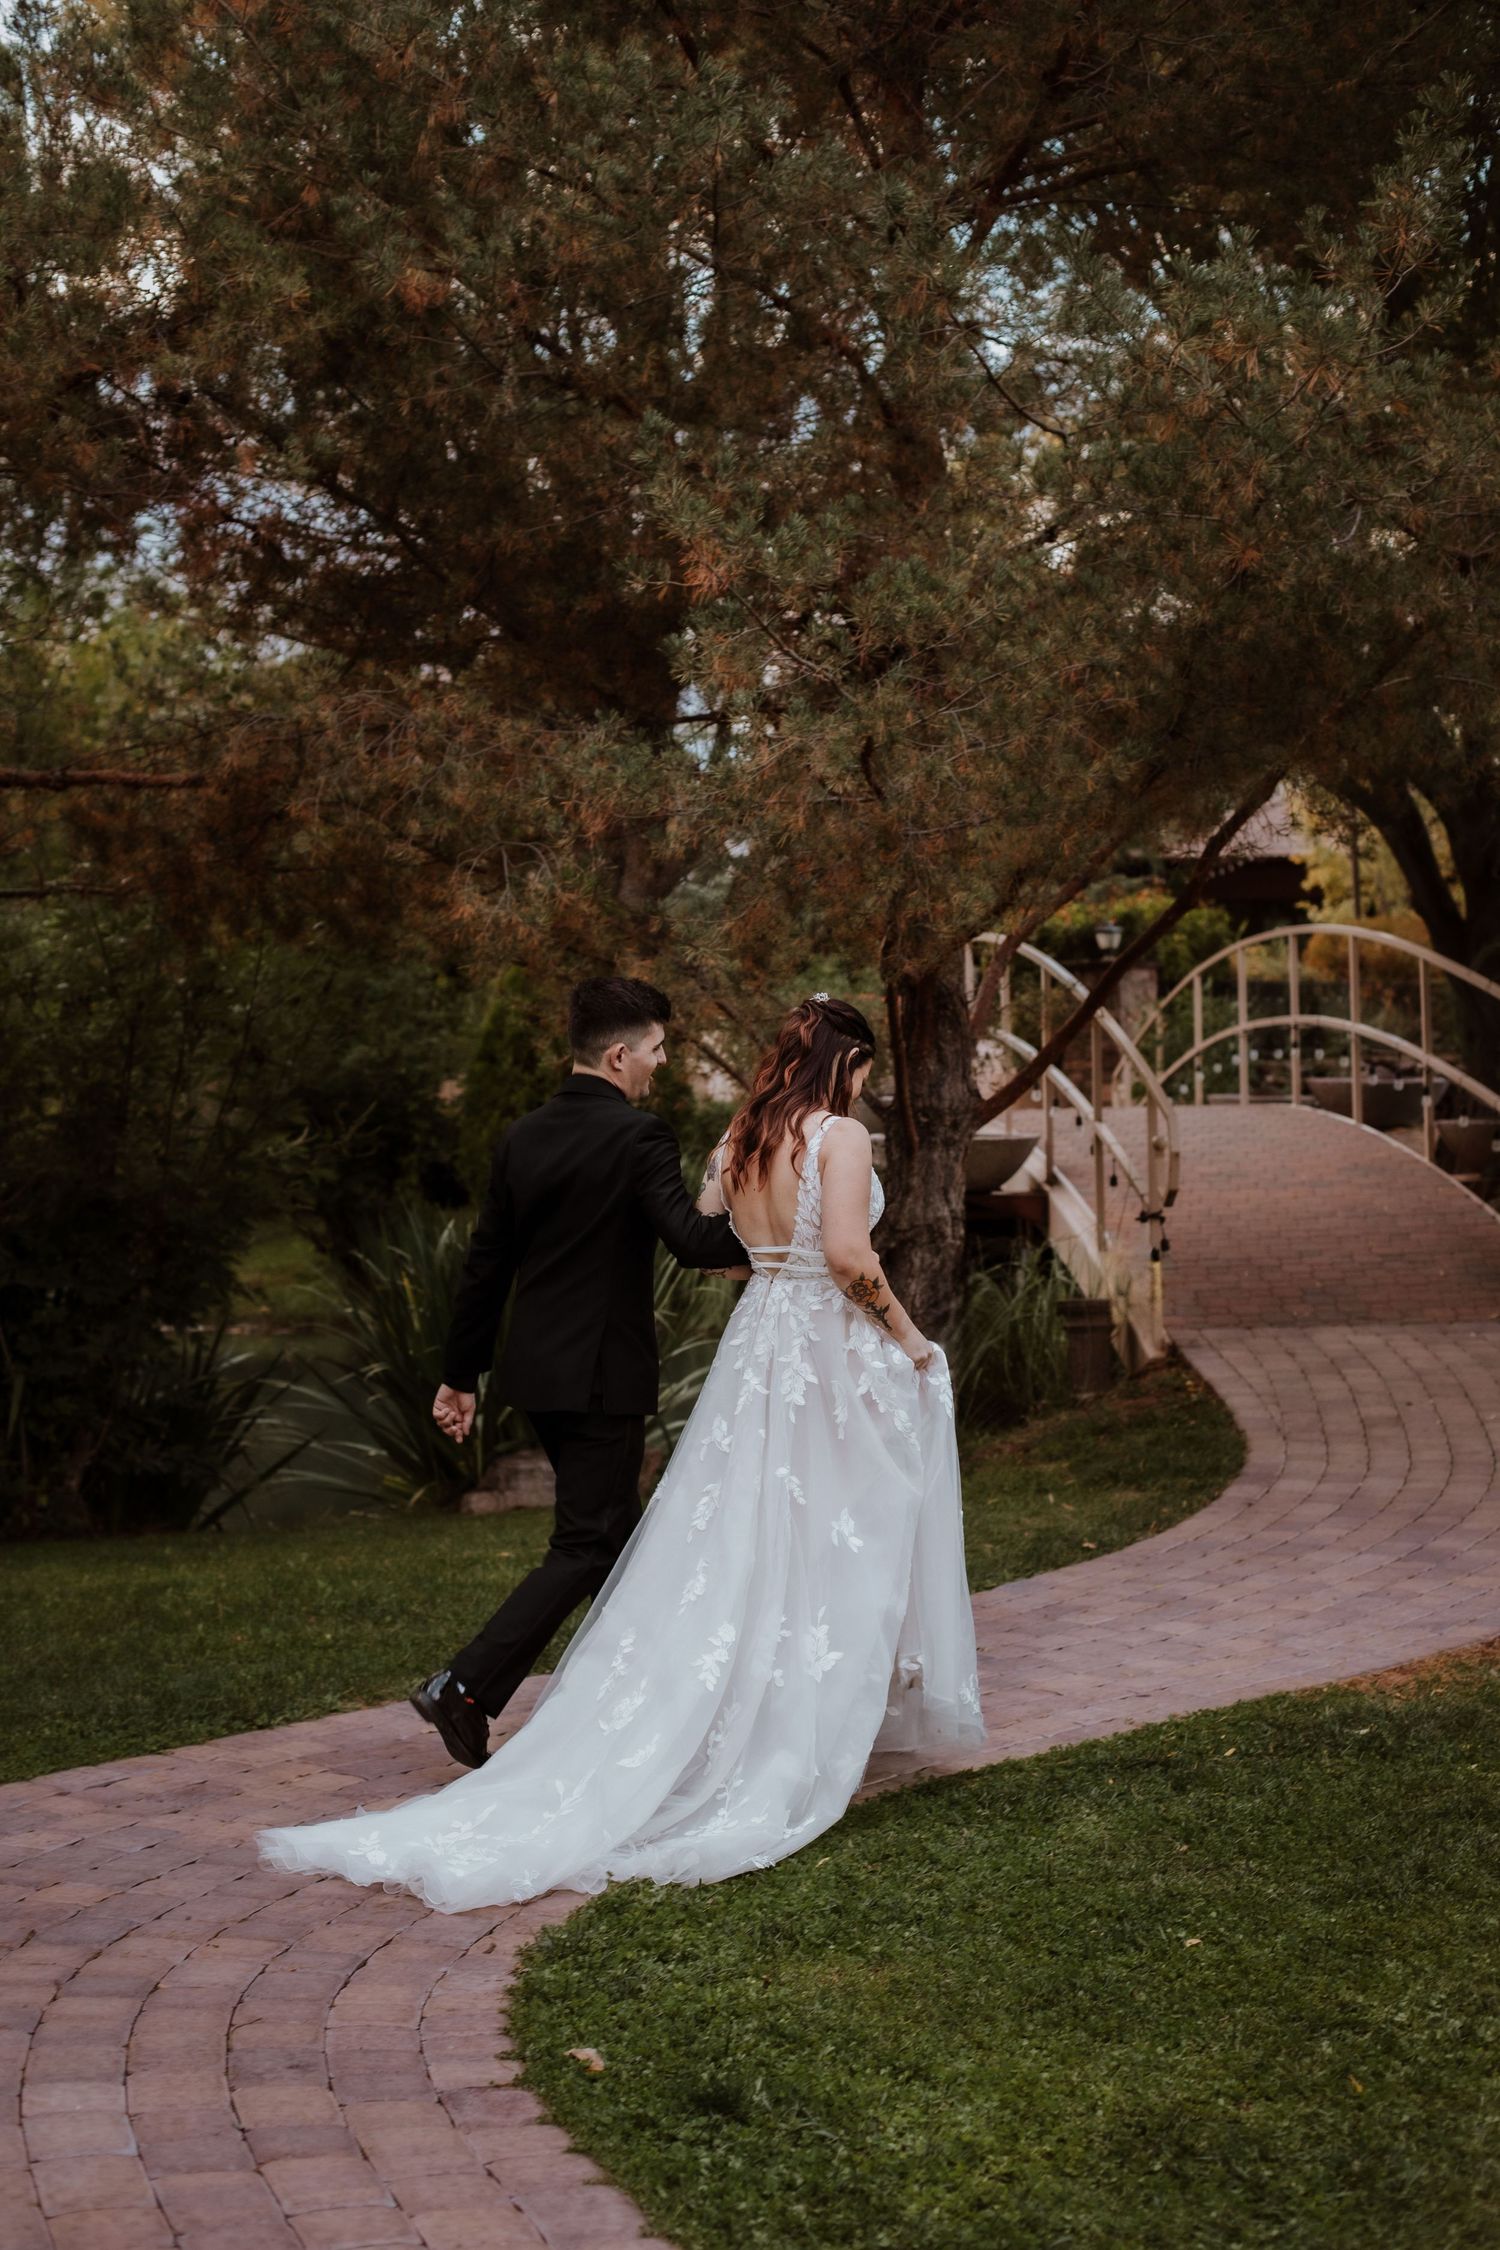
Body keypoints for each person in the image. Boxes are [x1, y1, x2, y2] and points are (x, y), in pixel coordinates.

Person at [256, 990, 985, 1910]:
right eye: (654, 1050)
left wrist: (461, 1374)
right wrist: (899, 1331)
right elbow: (785, 1251)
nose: (661, 1063)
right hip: (705, 1359)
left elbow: (514, 1258)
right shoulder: (787, 1137)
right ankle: (486, 1687)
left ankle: (641, 1694)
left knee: (702, 1536)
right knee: (686, 1536)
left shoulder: (624, 1138)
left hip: (634, 1361)